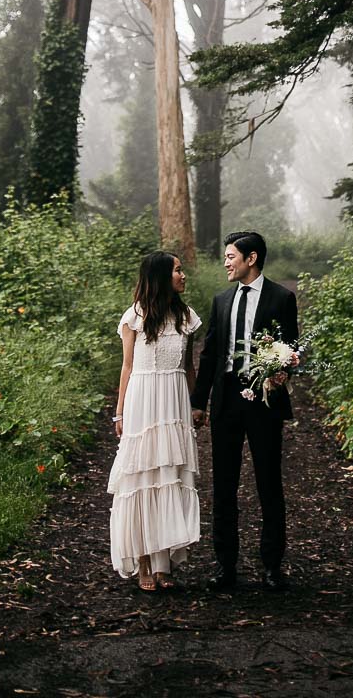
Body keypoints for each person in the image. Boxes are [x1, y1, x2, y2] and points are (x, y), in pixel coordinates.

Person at [191, 230, 298, 591]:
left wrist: (284, 370)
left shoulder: (282, 297)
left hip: (265, 400)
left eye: (231, 256)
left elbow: (291, 346)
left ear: (251, 259)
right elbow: (209, 354)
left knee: (269, 483)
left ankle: (272, 566)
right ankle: (225, 566)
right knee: (224, 485)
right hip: (226, 402)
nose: (226, 262)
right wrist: (198, 402)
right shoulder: (221, 300)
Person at [108, 250, 201, 591]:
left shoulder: (186, 317)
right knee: (143, 476)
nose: (183, 275)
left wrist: (196, 404)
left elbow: (189, 368)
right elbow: (128, 367)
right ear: (161, 276)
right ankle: (144, 561)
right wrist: (119, 412)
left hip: (174, 402)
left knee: (170, 477)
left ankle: (164, 563)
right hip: (143, 402)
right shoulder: (134, 317)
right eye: (178, 270)